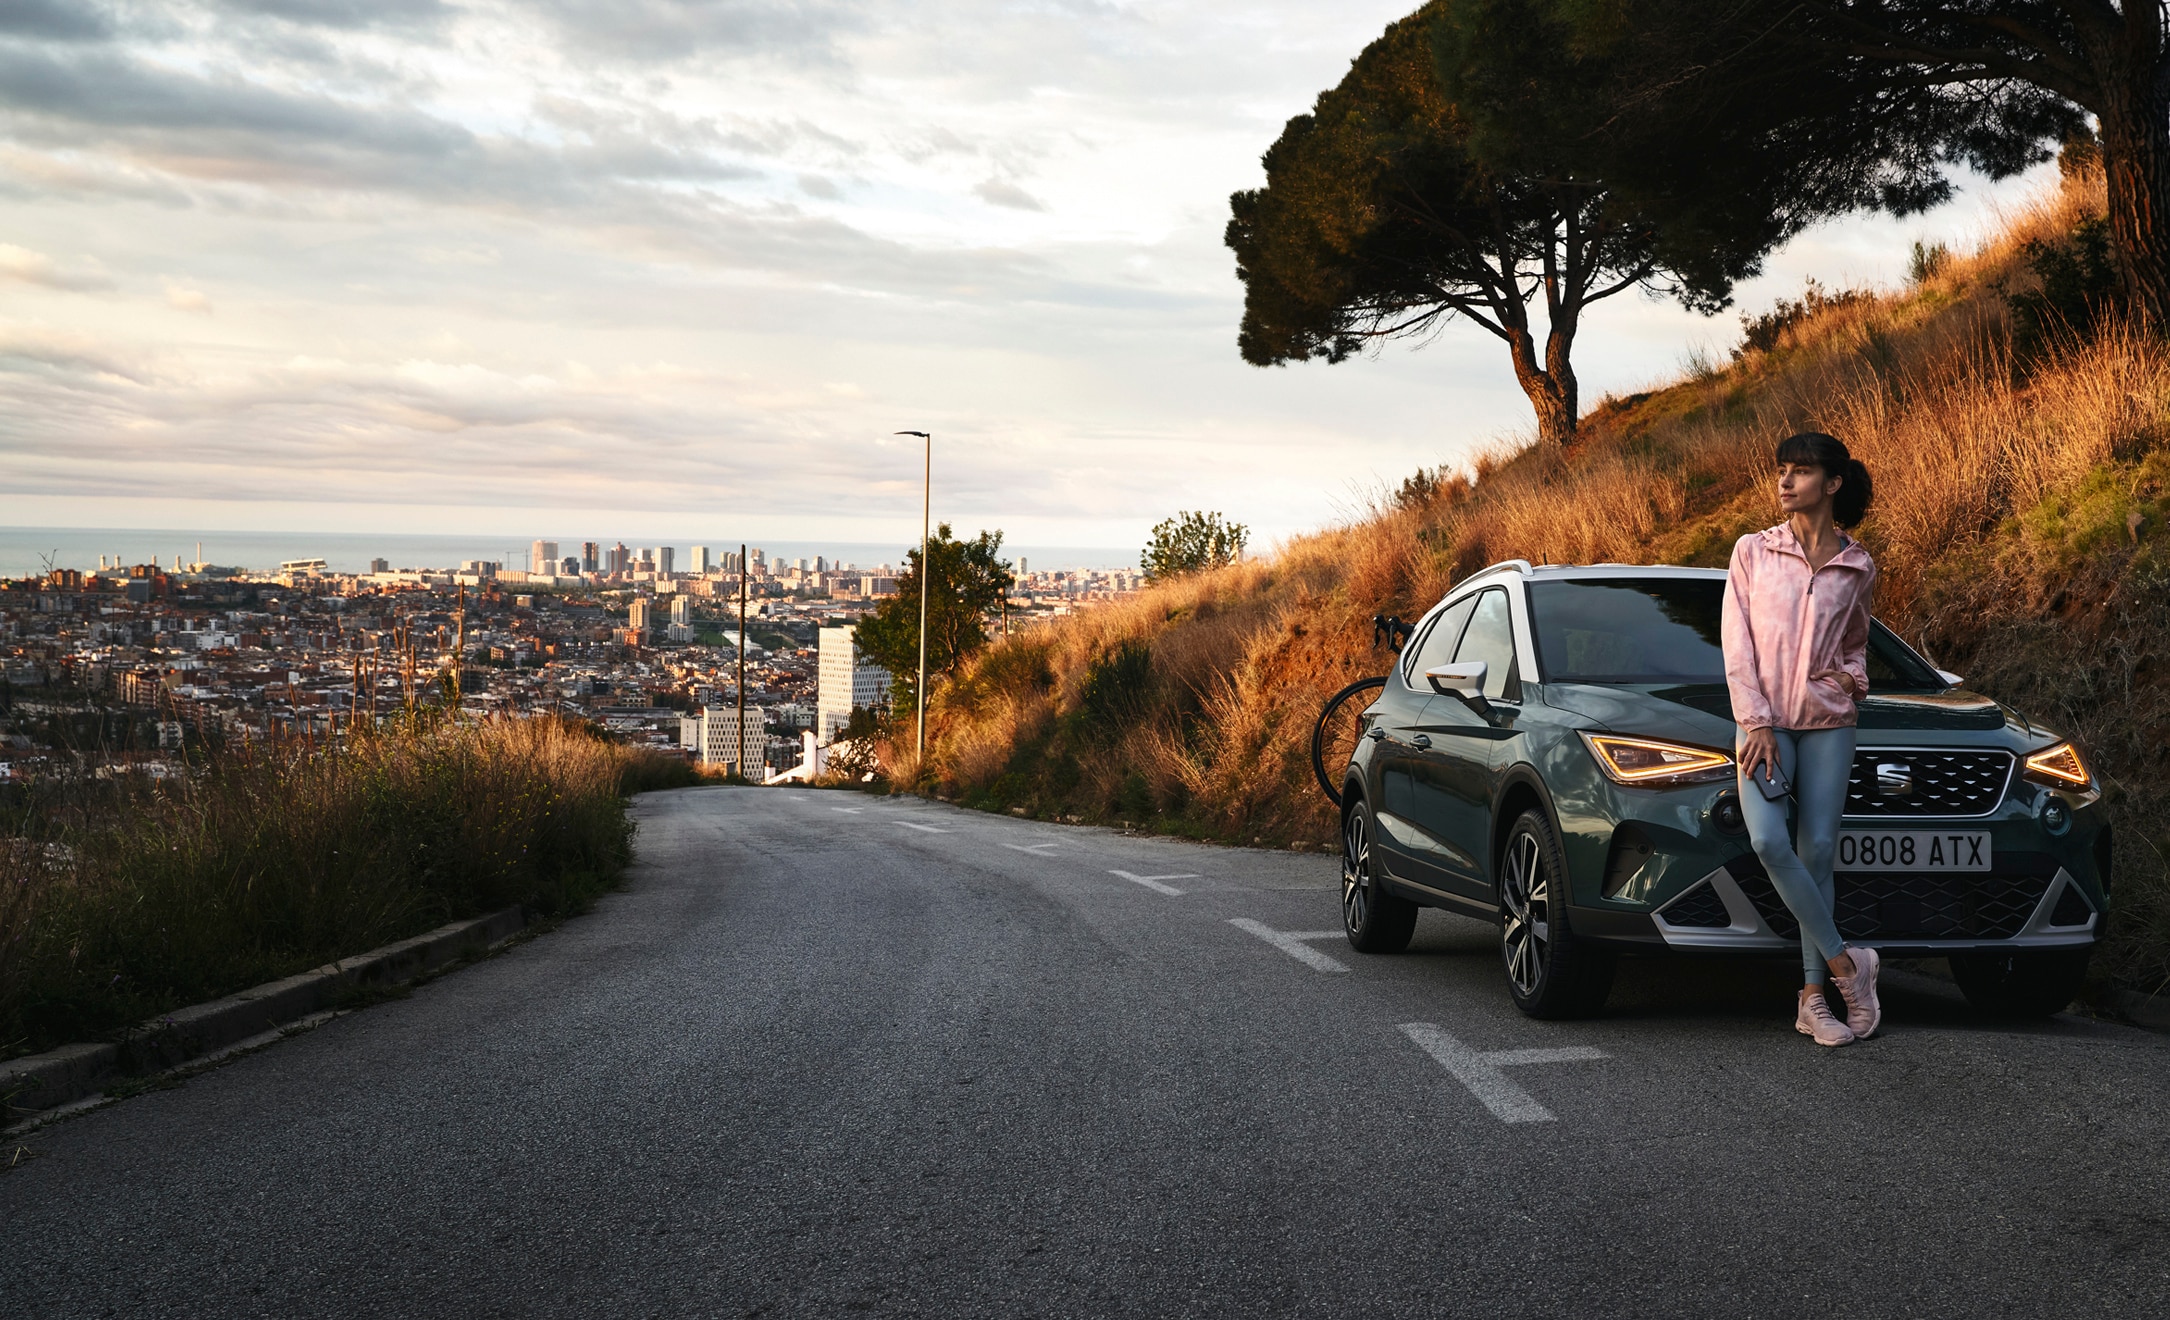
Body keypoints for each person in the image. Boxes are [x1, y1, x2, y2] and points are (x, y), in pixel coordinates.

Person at [1721, 431, 1882, 1047]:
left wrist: (1850, 680)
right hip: (1762, 723)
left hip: (1829, 722)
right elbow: (1737, 644)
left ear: (1832, 484)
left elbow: (1856, 642)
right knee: (1767, 839)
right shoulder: (1753, 552)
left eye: (1801, 471)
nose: (1786, 481)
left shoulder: (1857, 564)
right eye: (1782, 470)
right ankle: (1850, 966)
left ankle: (1814, 999)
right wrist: (1755, 720)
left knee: (1817, 850)